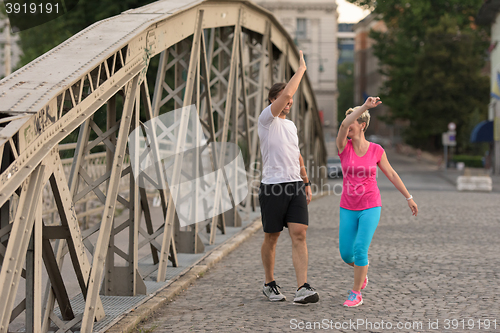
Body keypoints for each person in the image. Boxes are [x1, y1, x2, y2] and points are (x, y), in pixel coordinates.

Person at [336, 97, 418, 307]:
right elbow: (344, 125)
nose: (347, 126)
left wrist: (408, 197)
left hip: (371, 204)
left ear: (362, 125)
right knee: (347, 254)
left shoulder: (376, 150)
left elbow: (391, 173)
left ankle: (356, 293)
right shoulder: (343, 147)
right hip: (348, 206)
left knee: (360, 250)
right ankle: (362, 271)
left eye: (353, 122)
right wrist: (363, 107)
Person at [258, 51, 319, 304]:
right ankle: (269, 283)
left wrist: (305, 182)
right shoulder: (266, 120)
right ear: (274, 100)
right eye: (285, 98)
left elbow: (298, 156)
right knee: (272, 237)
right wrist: (301, 70)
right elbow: (286, 94)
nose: (290, 102)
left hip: (294, 185)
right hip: (272, 186)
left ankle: (302, 287)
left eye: (291, 99)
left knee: (300, 234)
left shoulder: (291, 126)